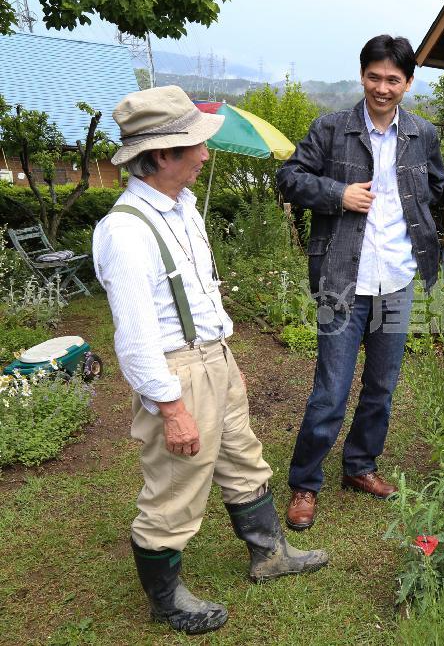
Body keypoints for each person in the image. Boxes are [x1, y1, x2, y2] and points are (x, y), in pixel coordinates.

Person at [93, 85, 328, 635]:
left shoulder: (183, 209)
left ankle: (269, 553)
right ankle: (166, 601)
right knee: (176, 487)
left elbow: (201, 293)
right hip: (175, 372)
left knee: (243, 458)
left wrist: (224, 354)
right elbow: (136, 338)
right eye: (194, 145)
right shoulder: (126, 232)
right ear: (160, 156)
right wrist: (171, 407)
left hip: (213, 359)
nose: (204, 154)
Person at [277, 35, 444, 530]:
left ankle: (359, 465)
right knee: (330, 389)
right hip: (340, 280)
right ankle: (305, 483)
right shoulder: (332, 128)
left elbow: (436, 185)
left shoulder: (422, 134)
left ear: (408, 82)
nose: (382, 88)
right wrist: (338, 194)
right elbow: (289, 177)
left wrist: (413, 212)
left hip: (396, 279)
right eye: (374, 77)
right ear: (362, 76)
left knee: (381, 386)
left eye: (393, 79)